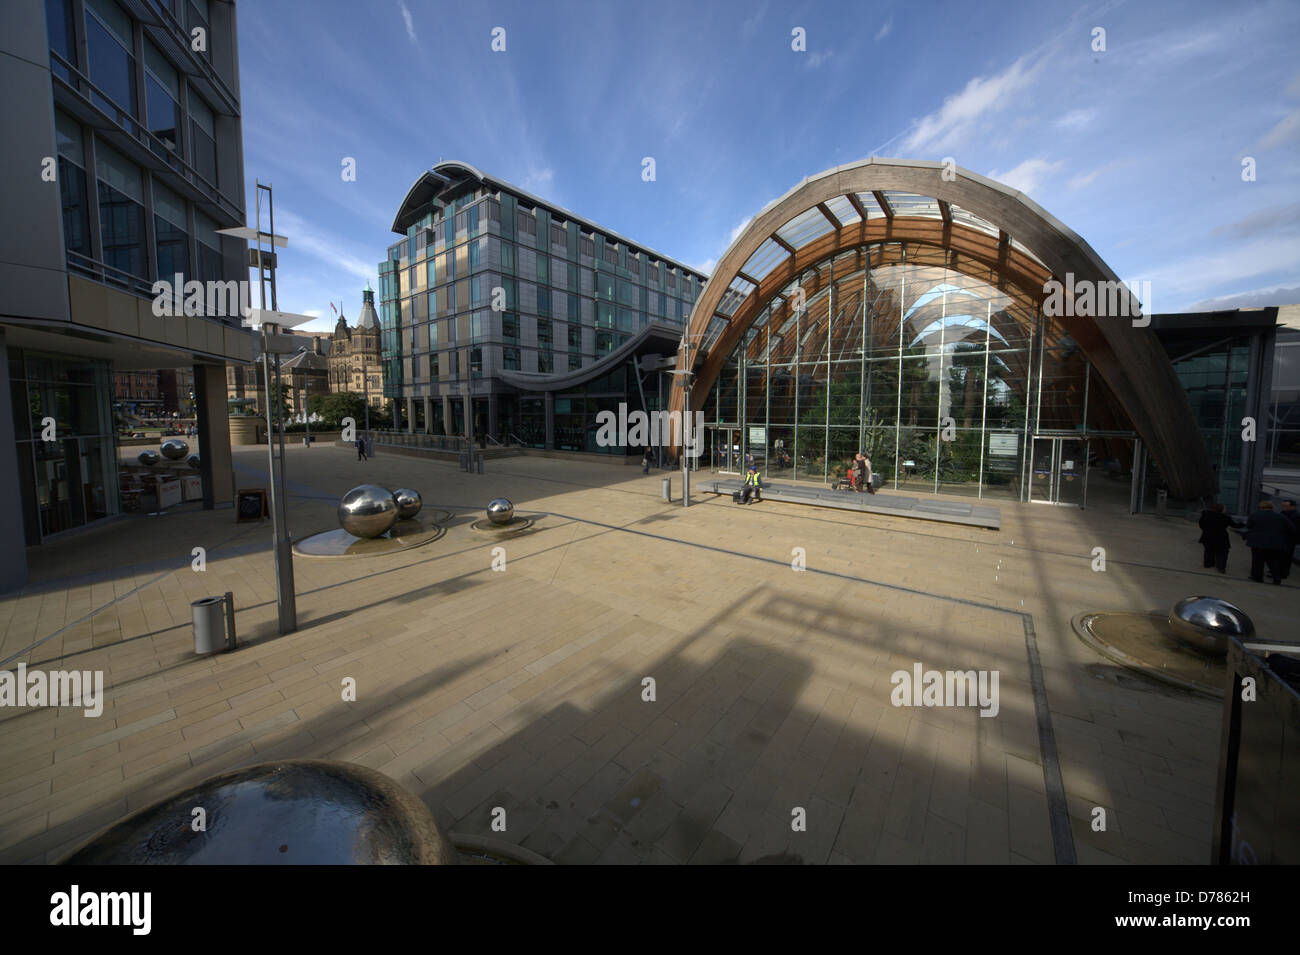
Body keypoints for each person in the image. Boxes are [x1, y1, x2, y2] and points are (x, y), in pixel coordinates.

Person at [1244, 500, 1292, 584]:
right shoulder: (1280, 516)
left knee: (1258, 561)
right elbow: (1291, 528)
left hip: (1257, 542)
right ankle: (1277, 578)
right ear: (1272, 507)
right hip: (1275, 543)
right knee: (1274, 561)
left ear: (1261, 507)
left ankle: (1257, 577)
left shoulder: (1255, 515)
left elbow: (1249, 526)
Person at [1197, 502, 1241, 574]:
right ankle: (1221, 567)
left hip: (1207, 536)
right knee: (1222, 552)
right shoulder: (1226, 518)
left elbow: (1201, 523)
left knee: (1208, 550)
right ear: (1222, 509)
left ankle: (1207, 564)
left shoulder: (1207, 515)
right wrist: (1245, 524)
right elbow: (1235, 525)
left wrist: (1205, 529)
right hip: (1221, 537)